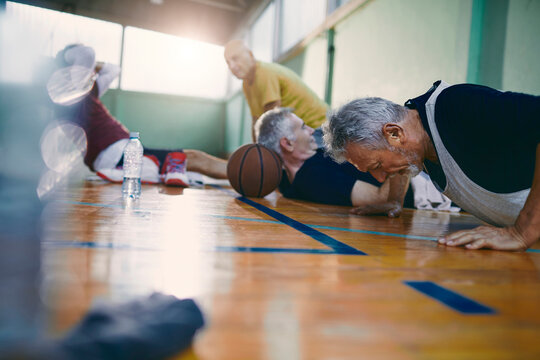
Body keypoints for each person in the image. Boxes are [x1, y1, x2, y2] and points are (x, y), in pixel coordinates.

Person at [322, 80, 540, 251]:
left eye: (377, 164)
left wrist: (522, 231)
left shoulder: (456, 105)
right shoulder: (417, 138)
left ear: (395, 133)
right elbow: (404, 155)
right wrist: (394, 200)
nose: (379, 178)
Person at [52, 44, 227, 186]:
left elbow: (113, 70)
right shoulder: (72, 91)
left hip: (116, 154)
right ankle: (135, 171)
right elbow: (87, 53)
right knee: (193, 159)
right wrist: (64, 59)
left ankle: (142, 172)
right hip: (116, 154)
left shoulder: (82, 93)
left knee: (189, 163)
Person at [255, 107, 394, 207]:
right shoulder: (314, 176)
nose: (311, 130)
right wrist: (404, 154)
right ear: (288, 143)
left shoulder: (285, 181)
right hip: (409, 186)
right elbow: (382, 198)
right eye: (303, 127)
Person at [224, 40, 329, 143]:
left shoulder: (264, 73)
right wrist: (256, 149)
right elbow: (256, 121)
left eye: (235, 58)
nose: (232, 66)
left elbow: (272, 120)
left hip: (321, 128)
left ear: (250, 55)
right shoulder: (246, 85)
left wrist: (260, 153)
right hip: (304, 133)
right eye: (228, 62)